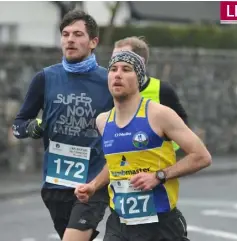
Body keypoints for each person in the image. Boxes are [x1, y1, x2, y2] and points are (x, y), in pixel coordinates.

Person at [74, 50, 212, 241]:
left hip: (160, 224)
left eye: (126, 69)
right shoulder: (103, 121)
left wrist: (159, 176)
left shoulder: (160, 114)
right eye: (113, 69)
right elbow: (115, 164)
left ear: (139, 78)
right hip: (120, 223)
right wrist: (93, 185)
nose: (118, 74)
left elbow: (202, 156)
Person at [12, 10, 113, 241]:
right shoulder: (45, 78)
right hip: (56, 184)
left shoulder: (108, 81)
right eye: (65, 34)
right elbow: (19, 125)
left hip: (93, 182)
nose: (70, 39)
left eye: (78, 34)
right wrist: (33, 128)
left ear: (93, 42)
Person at [112, 36, 188, 151]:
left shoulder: (162, 90)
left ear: (141, 62)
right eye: (113, 59)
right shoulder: (110, 90)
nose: (116, 63)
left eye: (123, 59)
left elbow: (182, 128)